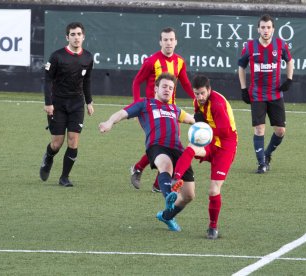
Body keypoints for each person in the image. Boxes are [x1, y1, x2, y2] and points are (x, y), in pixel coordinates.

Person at [99, 73, 195, 232]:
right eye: (164, 86)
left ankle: (166, 216)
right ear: (156, 88)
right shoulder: (145, 104)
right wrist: (109, 122)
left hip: (179, 151)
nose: (167, 90)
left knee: (189, 195)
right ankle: (169, 195)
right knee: (165, 165)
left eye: (171, 88)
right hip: (157, 146)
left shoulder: (175, 109)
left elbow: (193, 120)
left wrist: (206, 127)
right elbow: (122, 113)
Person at [166, 74, 238, 240]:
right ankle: (175, 179)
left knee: (213, 190)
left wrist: (204, 132)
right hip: (210, 139)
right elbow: (200, 118)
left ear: (209, 90)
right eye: (196, 94)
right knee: (190, 149)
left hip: (225, 144)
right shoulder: (197, 102)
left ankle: (213, 227)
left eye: (202, 94)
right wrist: (199, 127)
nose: (199, 97)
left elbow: (225, 131)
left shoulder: (218, 105)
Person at [130, 27, 195, 193]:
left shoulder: (180, 61)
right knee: (162, 144)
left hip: (172, 112)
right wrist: (137, 107)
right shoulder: (152, 61)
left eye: (171, 39)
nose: (168, 43)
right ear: (160, 42)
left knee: (172, 145)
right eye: (165, 40)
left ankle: (153, 180)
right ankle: (150, 177)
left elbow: (186, 83)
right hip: (152, 112)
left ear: (176, 41)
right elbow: (137, 82)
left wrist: (197, 100)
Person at [39, 22, 94, 187]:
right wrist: (48, 103)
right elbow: (48, 80)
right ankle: (48, 157)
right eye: (73, 34)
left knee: (73, 140)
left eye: (79, 34)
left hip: (76, 104)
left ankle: (64, 177)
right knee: (57, 143)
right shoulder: (57, 56)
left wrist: (89, 101)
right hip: (58, 104)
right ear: (67, 37)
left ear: (83, 37)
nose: (76, 37)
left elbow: (87, 81)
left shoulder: (88, 57)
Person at [238, 14, 294, 174]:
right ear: (258, 29)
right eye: (263, 27)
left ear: (273, 29)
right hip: (257, 95)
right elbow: (241, 67)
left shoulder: (280, 45)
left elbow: (290, 61)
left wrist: (289, 80)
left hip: (276, 95)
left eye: (268, 27)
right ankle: (261, 163)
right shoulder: (249, 46)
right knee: (259, 129)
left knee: (280, 131)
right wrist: (243, 89)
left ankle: (267, 154)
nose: (265, 30)